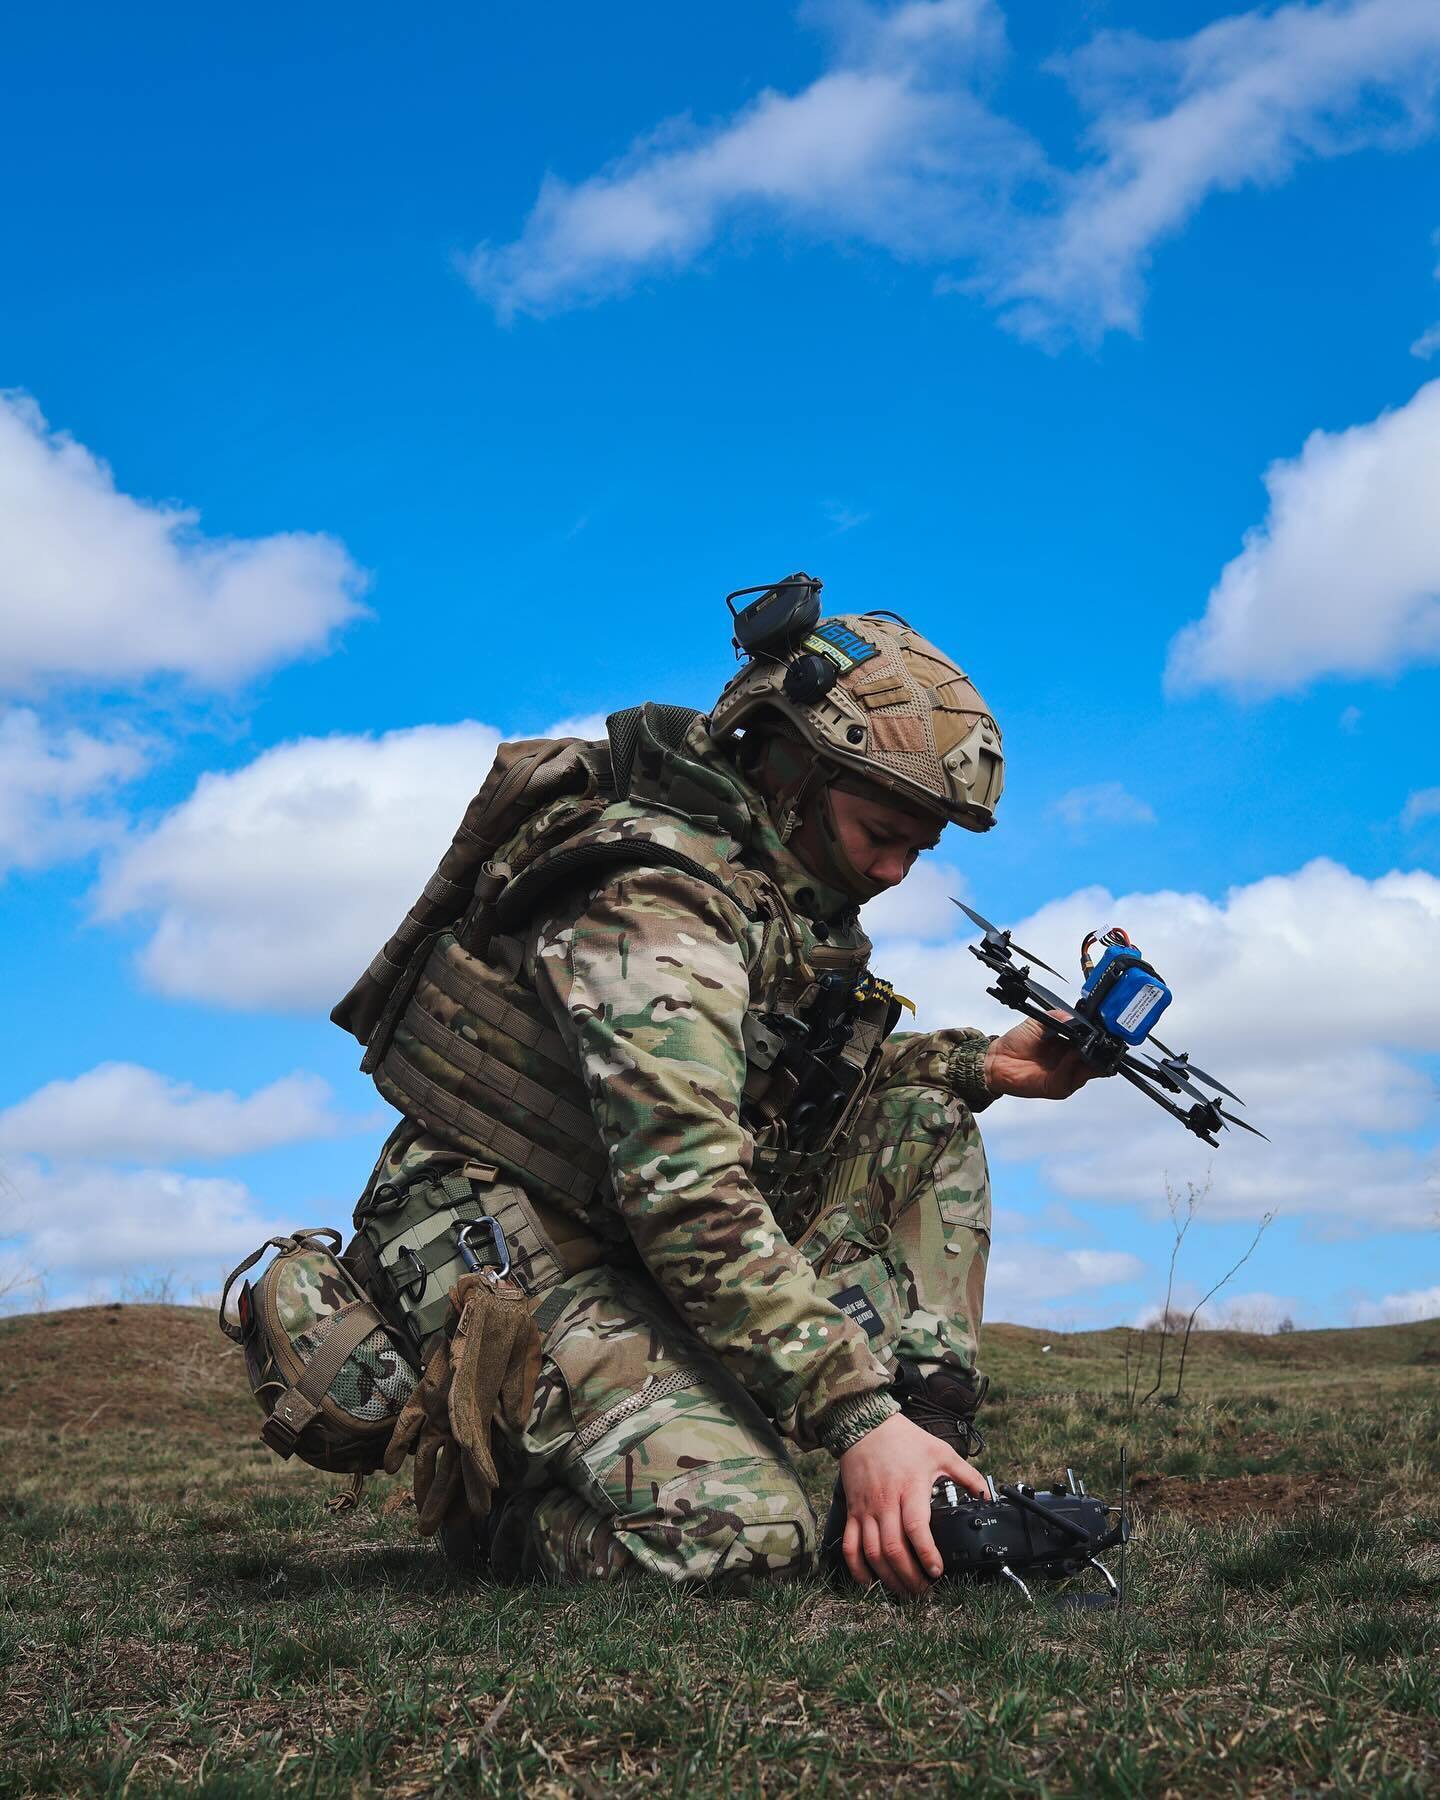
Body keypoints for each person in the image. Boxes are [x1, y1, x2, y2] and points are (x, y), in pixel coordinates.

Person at [335, 580, 1095, 1595]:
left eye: (923, 847)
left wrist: (982, 1066)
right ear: (788, 765)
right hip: (512, 1249)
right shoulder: (653, 904)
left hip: (626, 1236)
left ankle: (931, 1482)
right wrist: (854, 1416)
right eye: (882, 831)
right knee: (747, 1540)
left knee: (929, 1115)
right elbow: (687, 1193)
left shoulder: (776, 904)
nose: (899, 871)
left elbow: (792, 1104)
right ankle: (506, 1517)